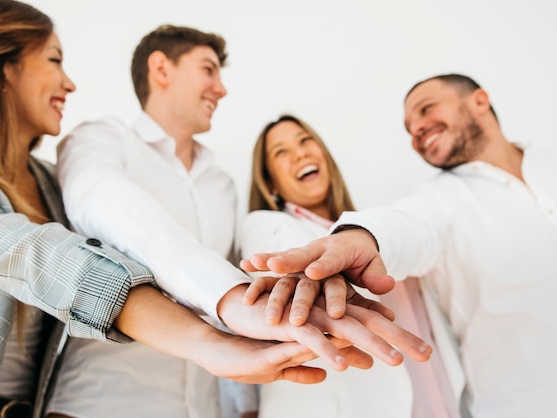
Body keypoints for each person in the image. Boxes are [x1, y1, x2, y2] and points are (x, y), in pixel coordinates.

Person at [0, 2, 376, 417]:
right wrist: (225, 305)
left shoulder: (52, 183)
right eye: (54, 60)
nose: (70, 82)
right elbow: (54, 257)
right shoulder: (98, 142)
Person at [49, 25, 432, 418]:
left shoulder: (222, 186)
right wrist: (227, 295)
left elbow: (253, 289)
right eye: (208, 70)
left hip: (202, 407)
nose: (221, 89)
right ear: (162, 68)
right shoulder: (100, 140)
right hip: (100, 403)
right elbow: (110, 207)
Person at [241, 74, 557, 418]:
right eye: (281, 152)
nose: (417, 130)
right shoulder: (434, 201)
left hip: (438, 402)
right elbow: (403, 226)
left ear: (480, 101)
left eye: (426, 109)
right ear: (270, 180)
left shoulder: (547, 160)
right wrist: (359, 238)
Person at [239, 114, 463, 418]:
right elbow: (279, 254)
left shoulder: (376, 228)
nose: (300, 153)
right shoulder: (266, 223)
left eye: (306, 141)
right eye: (281, 152)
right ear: (271, 183)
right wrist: (307, 270)